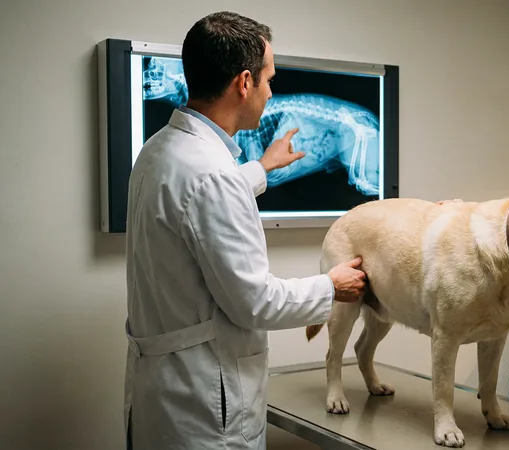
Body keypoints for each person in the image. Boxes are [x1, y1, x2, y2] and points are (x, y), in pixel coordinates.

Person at [123, 11, 367, 450]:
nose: (272, 92)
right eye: (269, 80)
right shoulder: (212, 175)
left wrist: (262, 168)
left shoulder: (157, 150)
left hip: (163, 391)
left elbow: (194, 203)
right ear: (244, 83)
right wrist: (331, 287)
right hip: (204, 405)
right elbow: (256, 304)